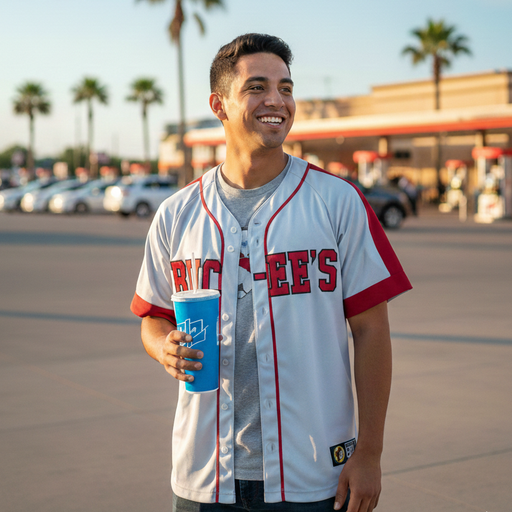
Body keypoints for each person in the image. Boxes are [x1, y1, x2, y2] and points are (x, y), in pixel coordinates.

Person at [130, 33, 412, 512]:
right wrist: (164, 349)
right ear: (219, 105)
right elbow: (152, 316)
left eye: (285, 87)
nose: (276, 101)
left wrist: (370, 452)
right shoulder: (177, 215)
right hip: (204, 474)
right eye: (257, 87)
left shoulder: (336, 202)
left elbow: (372, 331)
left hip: (313, 474)